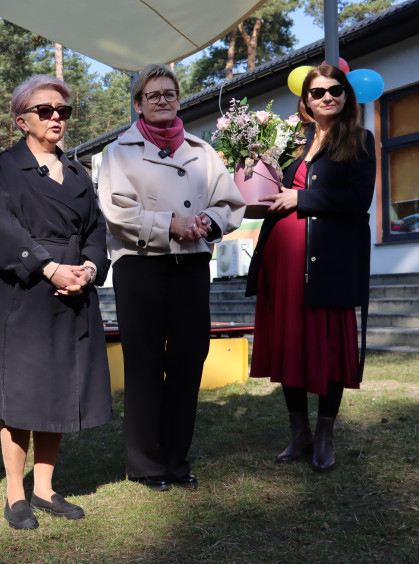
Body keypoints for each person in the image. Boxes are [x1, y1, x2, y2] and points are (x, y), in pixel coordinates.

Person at [98, 63, 245, 492]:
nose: (163, 100)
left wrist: (206, 222)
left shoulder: (203, 151)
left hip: (191, 265)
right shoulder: (118, 151)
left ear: (179, 99)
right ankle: (145, 463)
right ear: (138, 103)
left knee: (187, 359)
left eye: (170, 93)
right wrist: (169, 225)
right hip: (141, 265)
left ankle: (176, 460)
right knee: (143, 363)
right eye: (153, 94)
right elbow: (118, 211)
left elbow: (229, 202)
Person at [0, 74, 112, 530]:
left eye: (64, 110)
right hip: (26, 290)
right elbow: (1, 226)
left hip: (75, 287)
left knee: (59, 386)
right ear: (22, 120)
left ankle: (45, 488)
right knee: (20, 393)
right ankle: (15, 495)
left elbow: (97, 231)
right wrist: (48, 267)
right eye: (45, 110)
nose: (56, 117)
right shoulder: (4, 166)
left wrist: (89, 270)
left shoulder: (78, 173)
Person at [245, 64, 376, 474]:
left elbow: (358, 199)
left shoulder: (359, 140)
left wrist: (302, 200)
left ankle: (324, 434)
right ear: (305, 102)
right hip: (281, 261)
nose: (327, 98)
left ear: (347, 96)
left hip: (328, 262)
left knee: (330, 346)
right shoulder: (290, 144)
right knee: (290, 343)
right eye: (318, 93)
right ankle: (298, 433)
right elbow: (267, 191)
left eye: (336, 90)